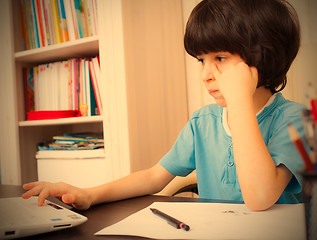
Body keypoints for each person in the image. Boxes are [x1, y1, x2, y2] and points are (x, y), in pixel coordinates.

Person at [22, 0, 308, 211]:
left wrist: (240, 103)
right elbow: (153, 176)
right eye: (201, 61)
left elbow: (260, 198)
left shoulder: (294, 120)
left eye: (219, 58)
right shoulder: (203, 121)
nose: (206, 74)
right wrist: (89, 194)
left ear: (262, 57)